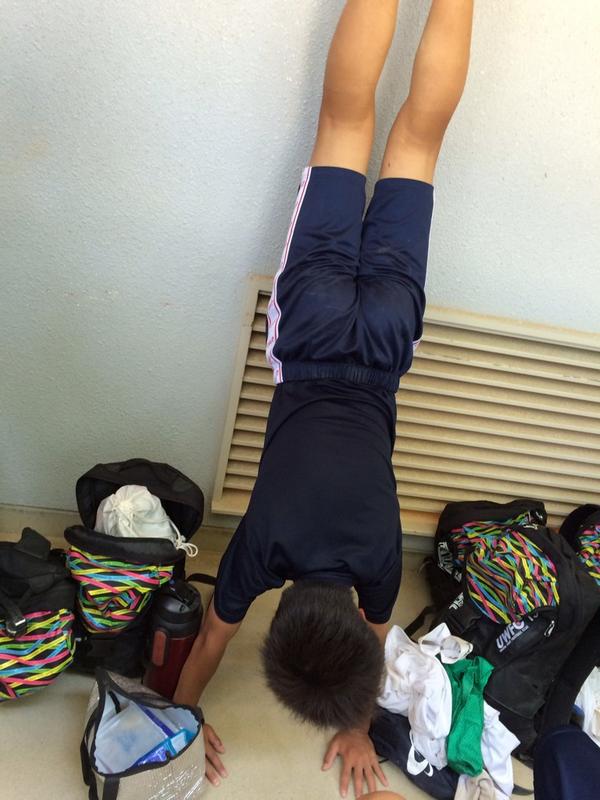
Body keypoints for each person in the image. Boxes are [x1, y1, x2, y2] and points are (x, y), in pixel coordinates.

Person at [174, 1, 474, 796]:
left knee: (419, 142)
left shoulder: (380, 567)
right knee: (345, 121)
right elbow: (209, 644)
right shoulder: (259, 551)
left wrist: (358, 724)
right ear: (277, 615)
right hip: (309, 333)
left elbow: (373, 648)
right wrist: (181, 718)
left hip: (384, 342)